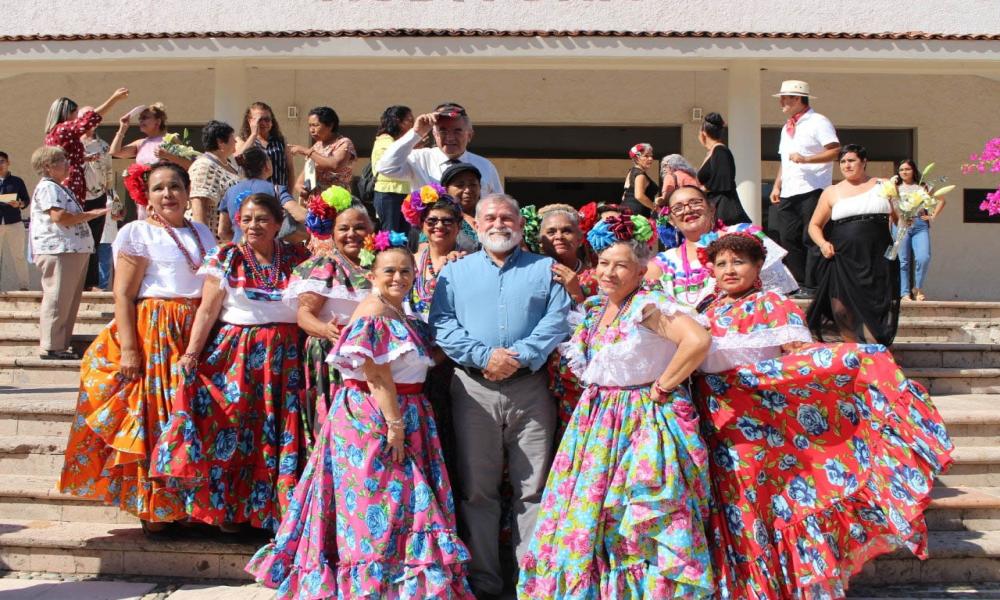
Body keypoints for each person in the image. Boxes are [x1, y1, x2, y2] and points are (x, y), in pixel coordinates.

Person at [694, 232, 953, 599]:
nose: (729, 270)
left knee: (763, 503)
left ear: (757, 267)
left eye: (739, 262)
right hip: (718, 425)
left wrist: (855, 359)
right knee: (735, 505)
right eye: (721, 264)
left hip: (762, 428)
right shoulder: (707, 308)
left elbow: (800, 356)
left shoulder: (773, 304)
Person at [248, 235, 474, 599]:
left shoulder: (400, 310)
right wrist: (395, 425)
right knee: (386, 499)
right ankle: (371, 585)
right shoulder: (373, 311)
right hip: (375, 418)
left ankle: (392, 583)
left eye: (405, 271)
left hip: (403, 413)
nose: (398, 277)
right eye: (389, 271)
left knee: (398, 501)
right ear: (372, 275)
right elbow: (376, 374)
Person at [518, 215, 714, 599]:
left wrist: (663, 384)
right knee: (589, 511)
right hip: (598, 422)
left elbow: (697, 340)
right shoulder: (598, 308)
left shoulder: (649, 306)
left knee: (630, 513)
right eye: (604, 263)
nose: (609, 272)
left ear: (641, 270)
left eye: (621, 264)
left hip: (640, 420)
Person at [59, 162, 216, 535]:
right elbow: (124, 294)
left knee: (189, 418)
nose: (168, 194)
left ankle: (187, 503)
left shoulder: (204, 232)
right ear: (147, 196)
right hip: (157, 332)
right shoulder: (137, 232)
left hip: (196, 330)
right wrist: (130, 348)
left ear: (186, 190)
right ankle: (154, 506)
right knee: (157, 418)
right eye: (159, 188)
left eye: (175, 186)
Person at [430, 193, 570, 597]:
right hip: (473, 389)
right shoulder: (454, 273)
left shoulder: (546, 270)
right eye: (489, 217)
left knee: (535, 489)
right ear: (475, 224)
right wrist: (484, 356)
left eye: (507, 217)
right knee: (477, 489)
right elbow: (442, 323)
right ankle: (485, 583)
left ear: (520, 224)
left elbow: (556, 319)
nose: (498, 223)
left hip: (531, 387)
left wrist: (521, 356)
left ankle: (532, 583)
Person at [150, 193, 309, 532]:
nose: (254, 226)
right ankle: (232, 512)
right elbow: (208, 308)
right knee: (235, 431)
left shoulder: (297, 256)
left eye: (263, 219)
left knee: (278, 431)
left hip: (285, 359)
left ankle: (271, 512)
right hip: (237, 355)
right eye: (247, 219)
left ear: (279, 224)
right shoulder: (226, 256)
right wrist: (192, 352)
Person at [287, 190, 373, 449]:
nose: (351, 234)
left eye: (359, 227)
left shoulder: (379, 264)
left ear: (371, 229)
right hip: (332, 352)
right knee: (337, 426)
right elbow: (304, 315)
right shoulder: (325, 265)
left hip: (370, 353)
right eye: (344, 228)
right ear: (332, 233)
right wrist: (326, 331)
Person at [646, 186, 796, 311]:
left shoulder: (744, 234)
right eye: (678, 208)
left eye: (695, 202)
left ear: (711, 209)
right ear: (671, 220)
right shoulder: (662, 264)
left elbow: (778, 293)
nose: (688, 210)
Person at [807, 144, 900, 346]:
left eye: (851, 160)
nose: (846, 165)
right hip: (843, 257)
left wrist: (908, 213)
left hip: (877, 256)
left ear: (864, 162)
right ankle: (851, 351)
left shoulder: (883, 185)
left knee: (875, 308)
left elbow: (899, 216)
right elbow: (814, 225)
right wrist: (823, 243)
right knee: (840, 307)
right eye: (842, 162)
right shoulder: (831, 192)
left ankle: (876, 355)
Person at [29, 146, 108, 360]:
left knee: (68, 299)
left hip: (72, 249)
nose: (68, 164)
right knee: (58, 297)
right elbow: (60, 217)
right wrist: (90, 214)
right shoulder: (48, 188)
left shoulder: (59, 187)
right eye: (62, 160)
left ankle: (60, 344)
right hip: (59, 249)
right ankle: (52, 345)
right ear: (48, 166)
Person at [768, 80, 841, 298]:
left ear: (798, 99)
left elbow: (835, 150)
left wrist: (807, 159)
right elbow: (786, 159)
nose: (781, 102)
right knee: (788, 237)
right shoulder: (787, 127)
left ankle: (813, 285)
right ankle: (798, 283)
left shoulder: (818, 122)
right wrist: (777, 184)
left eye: (786, 97)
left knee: (812, 237)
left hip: (814, 188)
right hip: (790, 190)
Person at [535, 204, 597, 432]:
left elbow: (604, 327)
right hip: (533, 376)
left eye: (566, 230)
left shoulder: (597, 278)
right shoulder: (528, 274)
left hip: (576, 380)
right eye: (551, 232)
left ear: (580, 238)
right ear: (540, 239)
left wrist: (576, 292)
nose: (558, 236)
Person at [375, 102, 504, 195]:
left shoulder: (485, 166)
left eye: (457, 131)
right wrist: (415, 133)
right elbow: (385, 167)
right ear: (434, 135)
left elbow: (499, 205)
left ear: (469, 135)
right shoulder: (419, 159)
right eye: (442, 131)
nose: (450, 137)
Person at [43, 88, 130, 204]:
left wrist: (84, 158)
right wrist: (113, 99)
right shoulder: (62, 129)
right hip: (69, 185)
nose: (78, 118)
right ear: (68, 114)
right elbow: (90, 119)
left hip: (68, 184)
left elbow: (66, 156)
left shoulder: (54, 133)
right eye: (76, 113)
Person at [219, 146, 305, 243]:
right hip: (267, 252)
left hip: (238, 252)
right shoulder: (276, 189)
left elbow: (222, 232)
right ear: (266, 165)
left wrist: (241, 243)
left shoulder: (230, 192)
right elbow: (300, 215)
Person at [895, 158, 944, 301]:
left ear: (913, 171)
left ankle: (918, 288)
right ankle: (904, 293)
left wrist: (932, 216)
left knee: (923, 257)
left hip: (919, 225)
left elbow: (942, 200)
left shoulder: (923, 186)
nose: (904, 172)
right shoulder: (896, 188)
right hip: (901, 225)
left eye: (907, 169)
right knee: (902, 261)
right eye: (901, 169)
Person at [79, 109, 114, 290]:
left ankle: (91, 281)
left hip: (98, 197)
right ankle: (76, 279)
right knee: (77, 239)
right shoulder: (72, 144)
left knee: (94, 240)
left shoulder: (103, 146)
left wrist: (111, 196)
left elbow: (109, 172)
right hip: (76, 197)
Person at [289, 106, 356, 198]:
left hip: (337, 199)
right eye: (310, 125)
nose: (312, 130)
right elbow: (303, 176)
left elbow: (335, 165)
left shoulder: (344, 143)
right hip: (316, 200)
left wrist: (306, 151)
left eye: (316, 125)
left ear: (330, 125)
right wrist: (300, 187)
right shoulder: (317, 146)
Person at [188, 120, 240, 236]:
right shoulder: (204, 165)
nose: (235, 141)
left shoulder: (229, 165)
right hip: (212, 240)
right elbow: (198, 204)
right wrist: (204, 240)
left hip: (228, 238)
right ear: (220, 142)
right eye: (232, 138)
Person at [697, 112, 751, 225]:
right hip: (714, 205)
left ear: (703, 134)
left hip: (724, 208)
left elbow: (723, 178)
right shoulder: (713, 152)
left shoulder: (720, 151)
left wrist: (703, 188)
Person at [371, 105, 415, 232]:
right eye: (409, 120)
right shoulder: (385, 140)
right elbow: (394, 157)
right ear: (398, 121)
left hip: (403, 192)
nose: (412, 125)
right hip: (388, 193)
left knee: (404, 234)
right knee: (391, 234)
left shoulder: (399, 141)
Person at [110, 103, 191, 169]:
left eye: (145, 118)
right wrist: (122, 128)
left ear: (158, 121)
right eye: (140, 119)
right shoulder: (140, 143)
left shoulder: (171, 138)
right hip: (143, 187)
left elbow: (189, 165)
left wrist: (167, 156)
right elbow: (115, 152)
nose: (141, 120)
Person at [236, 101, 295, 189]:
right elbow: (239, 158)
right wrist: (253, 135)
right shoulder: (242, 140)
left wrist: (289, 194)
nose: (263, 123)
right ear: (250, 121)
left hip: (278, 194)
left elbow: (290, 169)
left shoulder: (280, 141)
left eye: (267, 119)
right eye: (259, 120)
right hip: (255, 195)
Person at [0, 151, 31, 291]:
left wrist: (19, 204)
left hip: (14, 222)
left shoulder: (17, 181)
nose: (0, 165)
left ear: (8, 163)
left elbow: (26, 200)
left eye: (2, 161)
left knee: (18, 256)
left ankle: (24, 287)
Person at [440, 162, 482, 252]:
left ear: (480, 187)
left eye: (473, 185)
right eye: (460, 185)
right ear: (446, 190)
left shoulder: (492, 216)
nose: (467, 190)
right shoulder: (437, 219)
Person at [620, 142, 659, 217]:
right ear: (637, 158)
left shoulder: (631, 172)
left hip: (626, 211)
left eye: (651, 156)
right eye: (646, 156)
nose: (650, 159)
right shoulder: (640, 175)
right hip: (637, 215)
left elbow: (624, 196)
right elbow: (639, 196)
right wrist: (656, 208)